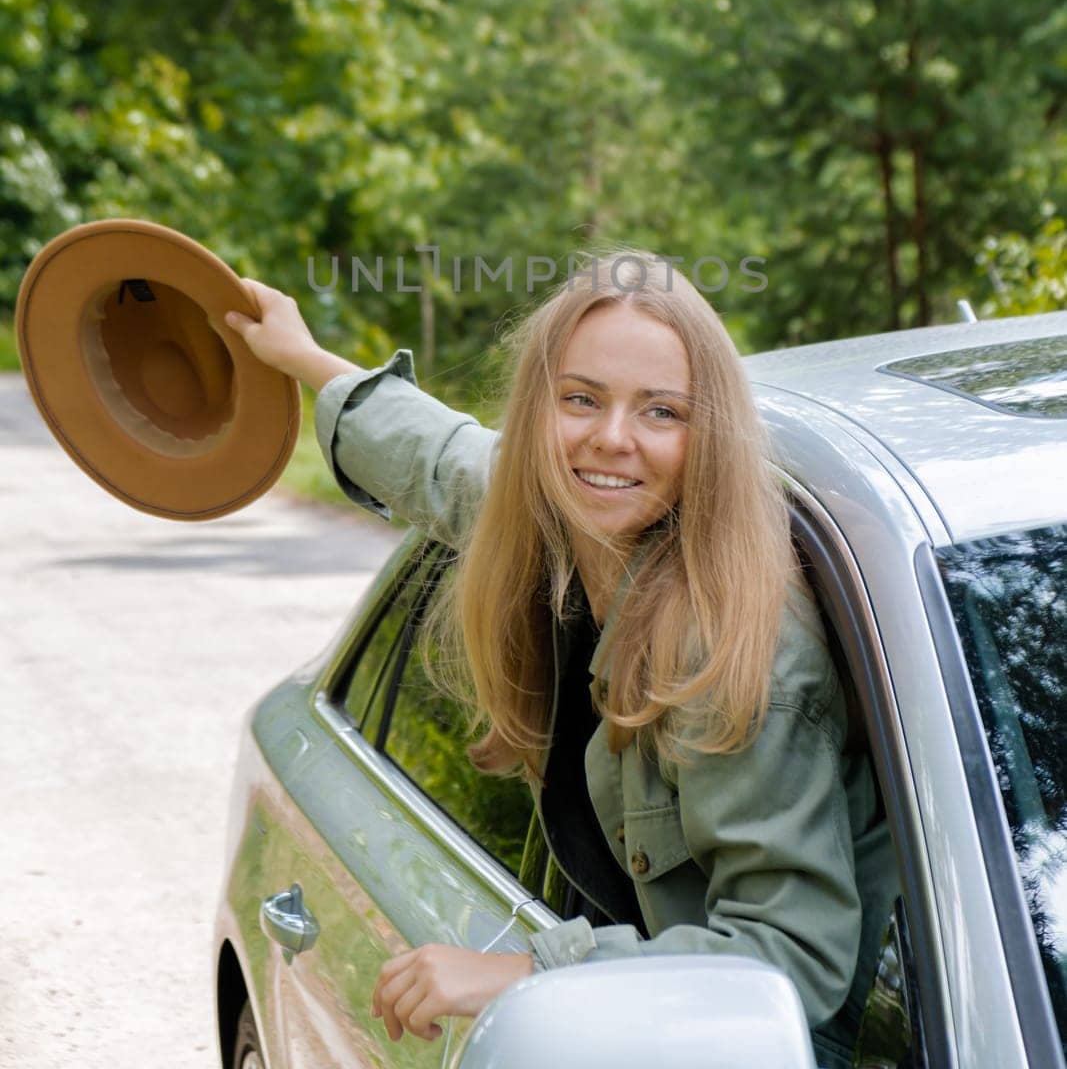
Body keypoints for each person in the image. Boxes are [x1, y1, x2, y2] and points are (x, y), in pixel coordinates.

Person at [225, 252, 896, 1068]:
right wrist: (300, 357)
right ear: (538, 410)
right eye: (579, 399)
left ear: (708, 433)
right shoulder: (556, 519)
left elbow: (791, 961)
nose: (610, 440)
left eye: (660, 412)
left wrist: (524, 973)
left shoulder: (733, 657)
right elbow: (440, 459)